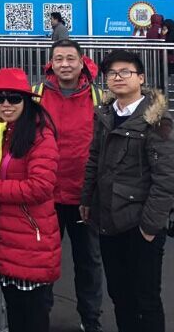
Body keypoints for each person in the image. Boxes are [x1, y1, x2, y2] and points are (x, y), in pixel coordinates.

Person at [80, 50, 174, 332]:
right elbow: (94, 159)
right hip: (108, 220)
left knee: (146, 299)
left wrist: (150, 226)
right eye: (112, 73)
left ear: (141, 78)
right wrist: (87, 200)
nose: (117, 78)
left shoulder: (157, 120)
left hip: (140, 225)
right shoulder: (105, 115)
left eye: (125, 72)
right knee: (120, 297)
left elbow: (166, 178)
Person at [0, 68, 60, 332]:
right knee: (14, 311)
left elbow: (41, 186)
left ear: (27, 101)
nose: (6, 104)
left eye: (14, 98)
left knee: (33, 315)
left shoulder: (41, 136)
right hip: (3, 237)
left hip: (29, 239)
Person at [32, 40, 103, 332]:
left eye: (70, 58)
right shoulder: (36, 94)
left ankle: (91, 319)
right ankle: (39, 317)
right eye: (59, 58)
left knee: (89, 262)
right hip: (45, 194)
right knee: (43, 261)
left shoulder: (98, 97)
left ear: (81, 62)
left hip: (84, 195)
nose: (65, 64)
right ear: (51, 63)